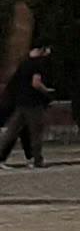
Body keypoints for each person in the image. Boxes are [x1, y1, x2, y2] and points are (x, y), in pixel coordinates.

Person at [2, 40, 56, 169]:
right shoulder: (37, 64)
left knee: (11, 131)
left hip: (21, 102)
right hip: (33, 103)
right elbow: (36, 83)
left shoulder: (24, 63)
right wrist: (47, 91)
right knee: (36, 132)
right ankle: (38, 160)